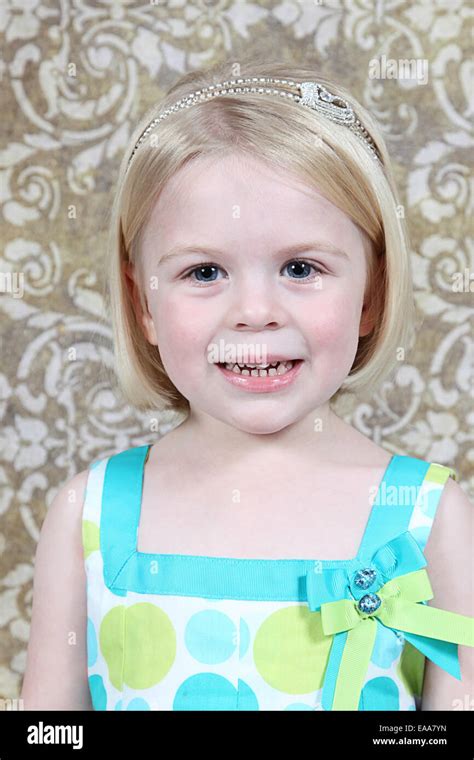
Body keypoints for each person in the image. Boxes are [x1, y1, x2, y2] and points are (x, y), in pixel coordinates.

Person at [20, 60, 473, 711]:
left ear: (370, 293)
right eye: (204, 272)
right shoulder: (86, 515)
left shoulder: (431, 517)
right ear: (141, 303)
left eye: (300, 266)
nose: (254, 310)